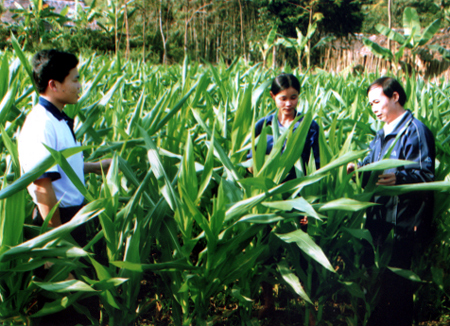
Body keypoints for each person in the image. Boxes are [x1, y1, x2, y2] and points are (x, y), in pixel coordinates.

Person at [347, 77, 435, 326]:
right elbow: (374, 164)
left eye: (377, 101)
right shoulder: (382, 132)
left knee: (398, 285)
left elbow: (427, 176)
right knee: (381, 281)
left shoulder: (416, 131)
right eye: (370, 104)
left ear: (395, 97)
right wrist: (359, 168)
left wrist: (399, 177)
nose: (374, 108)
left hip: (403, 223)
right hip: (381, 221)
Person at [18, 49, 111, 246]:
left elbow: (59, 167)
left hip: (72, 218)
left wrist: (95, 167)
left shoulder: (57, 119)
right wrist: (56, 244)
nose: (80, 86)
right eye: (75, 80)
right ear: (54, 85)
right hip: (57, 221)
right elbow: (42, 186)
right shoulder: (41, 124)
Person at [248, 73, 320, 318]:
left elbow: (316, 162)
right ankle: (269, 303)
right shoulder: (262, 125)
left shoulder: (309, 125)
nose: (289, 103)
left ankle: (309, 309)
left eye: (293, 97)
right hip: (268, 201)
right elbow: (252, 159)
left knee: (304, 246)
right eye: (282, 98)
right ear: (273, 97)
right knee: (266, 248)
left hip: (300, 202)